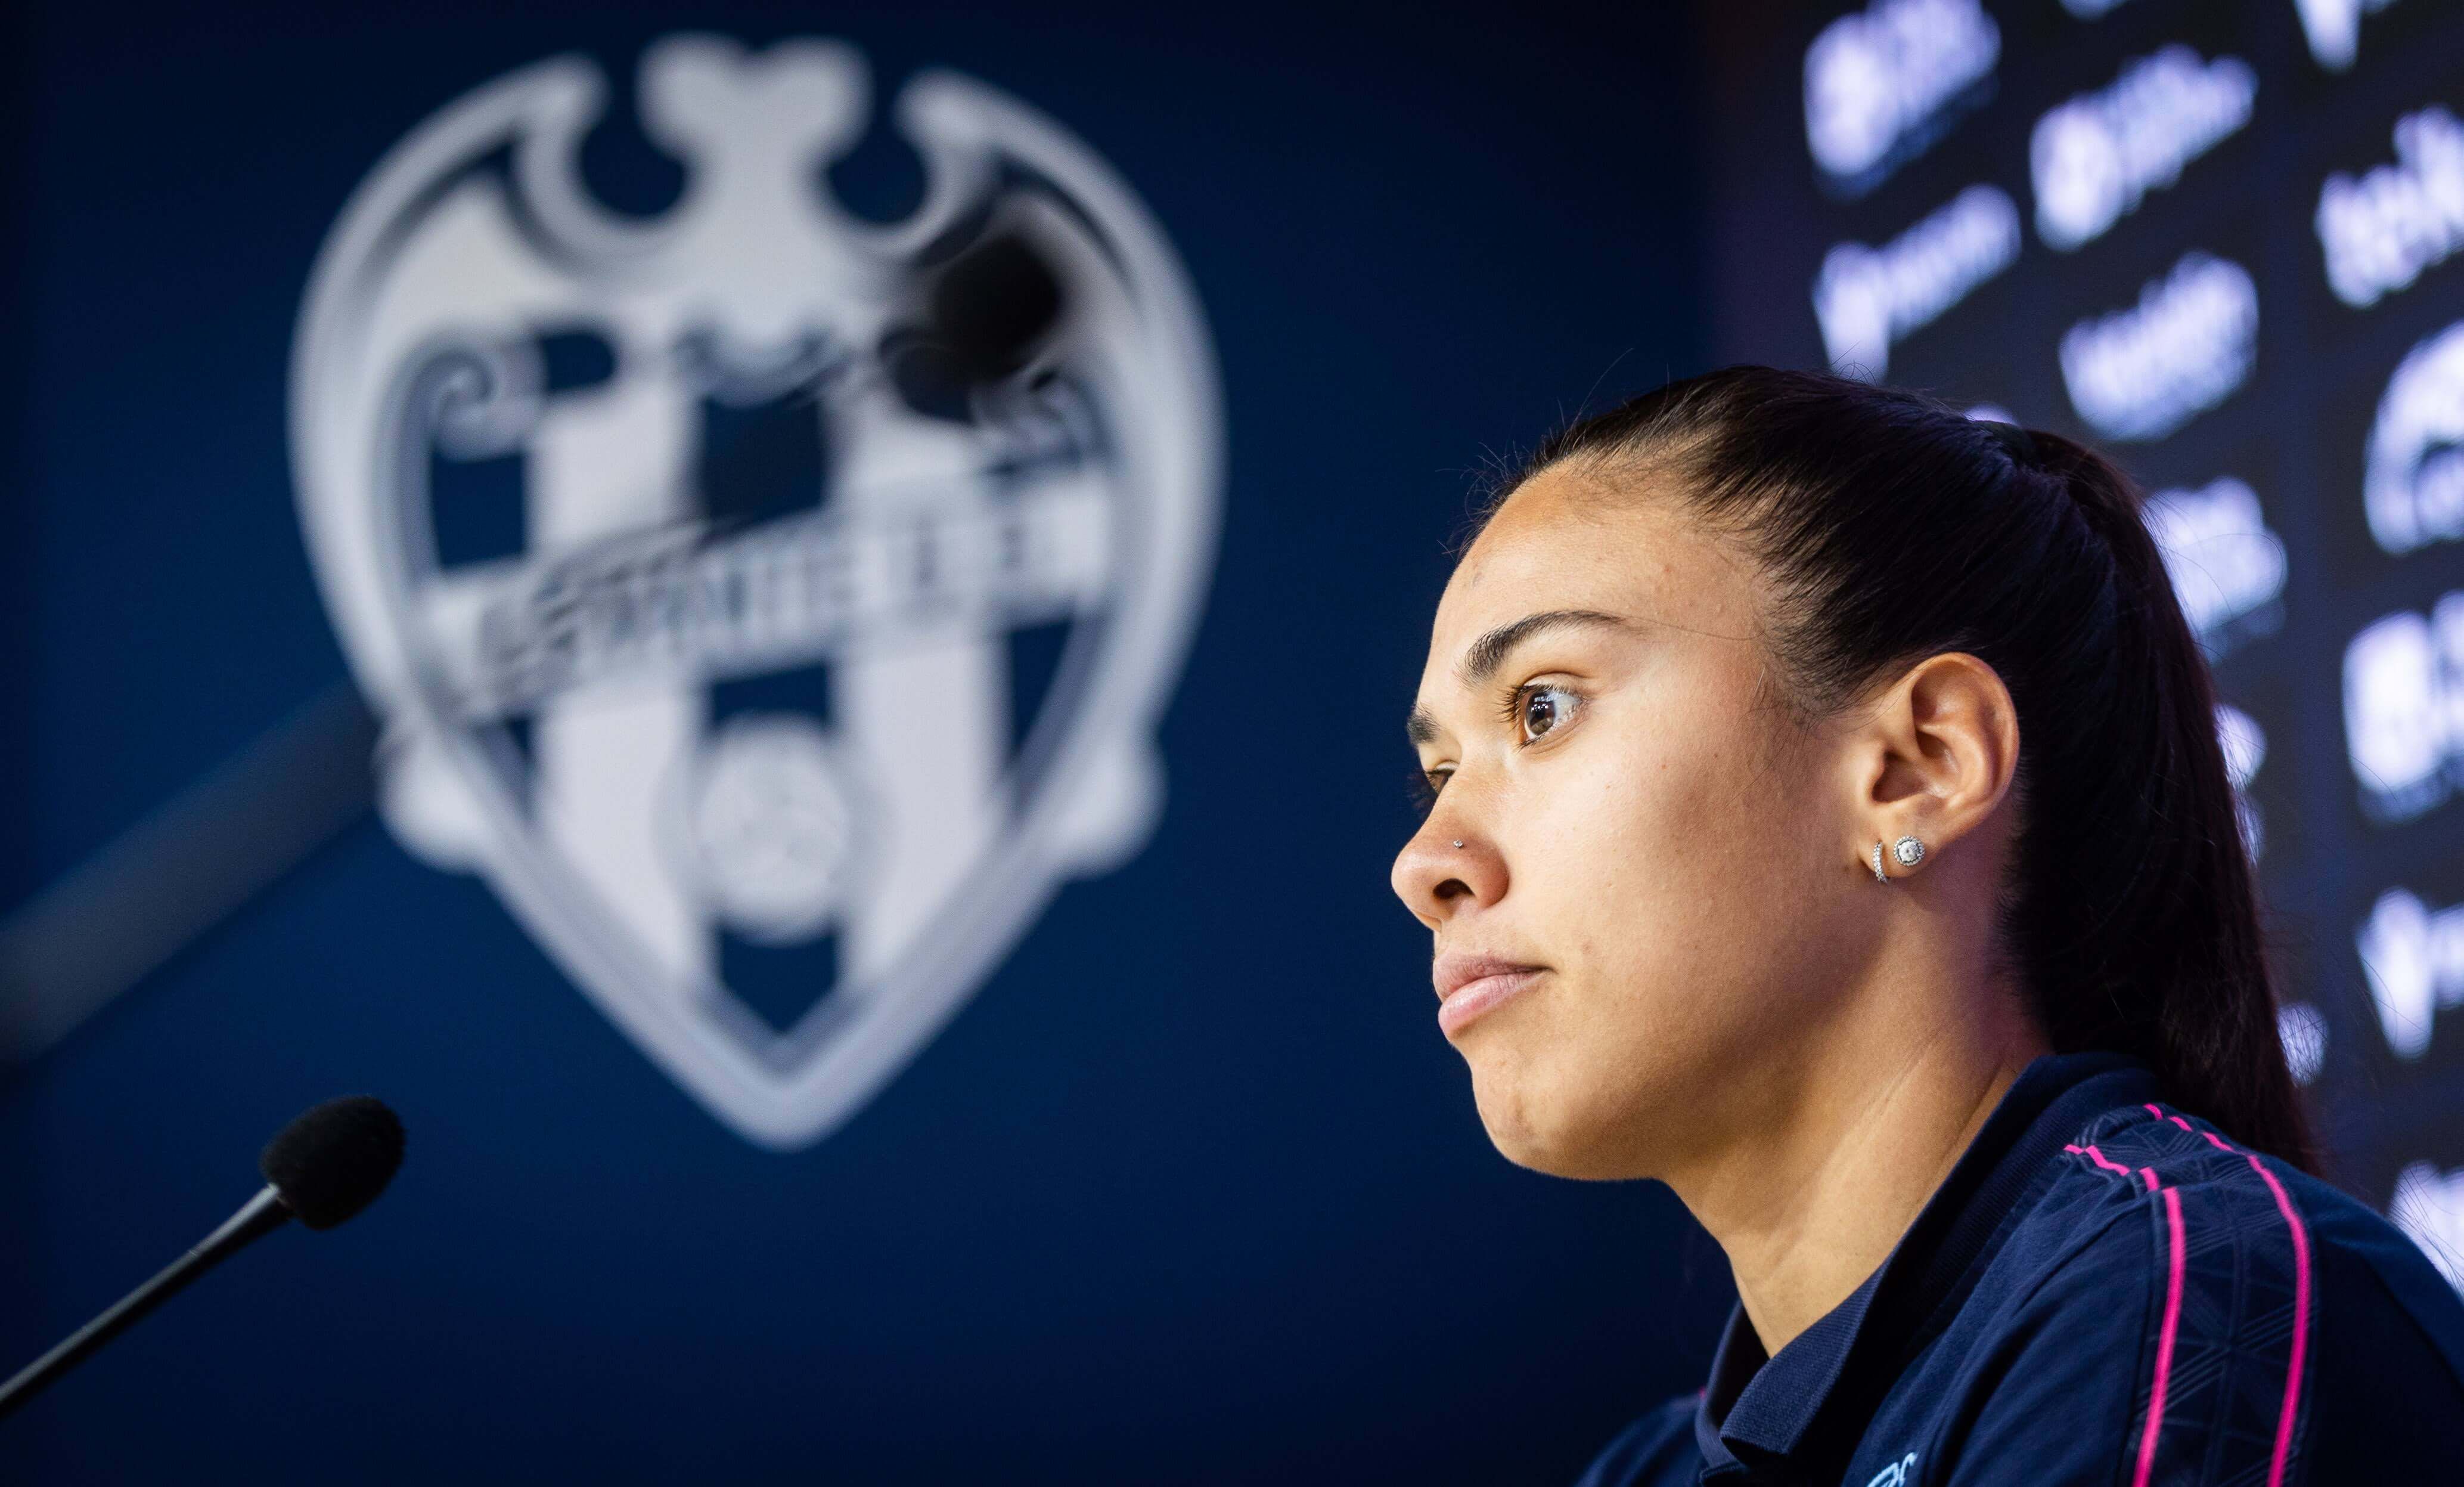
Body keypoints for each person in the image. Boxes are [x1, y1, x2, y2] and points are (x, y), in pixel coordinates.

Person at [1389, 366, 2464, 1485]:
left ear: (1918, 766)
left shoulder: (2183, 1314)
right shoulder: (1646, 1469)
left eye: (1542, 707)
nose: (1425, 864)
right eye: (1438, 772)